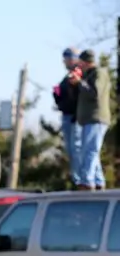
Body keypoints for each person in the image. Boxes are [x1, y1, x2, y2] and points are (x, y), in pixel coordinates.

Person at [73, 49, 111, 191]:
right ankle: (98, 181)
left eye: (80, 62)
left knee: (90, 151)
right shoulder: (88, 75)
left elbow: (95, 92)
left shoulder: (99, 73)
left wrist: (80, 83)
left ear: (85, 61)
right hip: (88, 119)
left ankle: (87, 181)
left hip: (96, 118)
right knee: (90, 150)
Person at [53, 48, 82, 186]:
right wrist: (57, 93)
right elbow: (62, 96)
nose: (64, 62)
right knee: (71, 150)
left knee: (76, 149)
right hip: (67, 115)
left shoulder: (77, 74)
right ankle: (77, 179)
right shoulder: (67, 77)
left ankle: (80, 179)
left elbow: (76, 96)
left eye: (66, 59)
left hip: (74, 117)